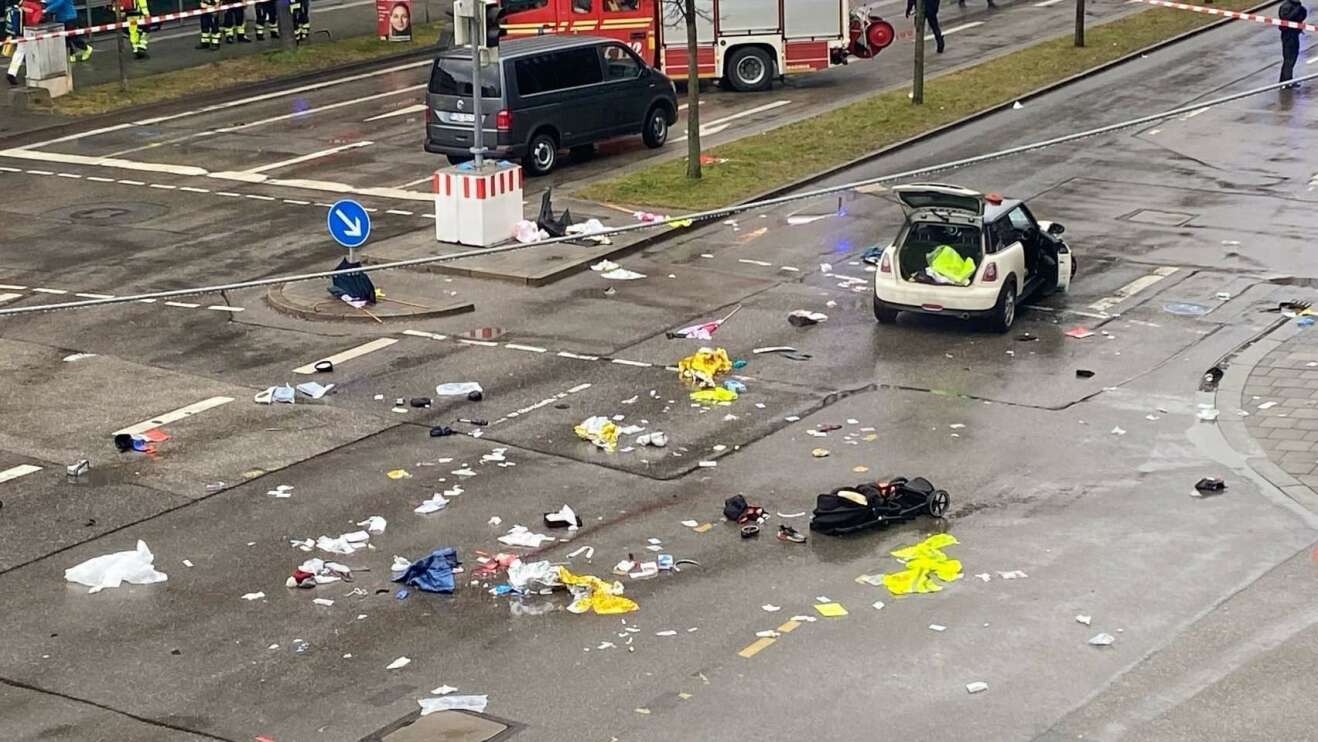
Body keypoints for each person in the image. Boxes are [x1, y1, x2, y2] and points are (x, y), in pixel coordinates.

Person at [1279, 0, 1307, 87]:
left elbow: (1301, 16)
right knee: (1289, 59)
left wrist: (1301, 9)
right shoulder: (1286, 7)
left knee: (1292, 58)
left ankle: (1286, 80)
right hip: (1288, 35)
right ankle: (1286, 82)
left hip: (1294, 34)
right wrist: (1297, 9)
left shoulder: (1296, 5)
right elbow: (1286, 18)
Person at [3, 0, 24, 85]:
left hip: (15, 31)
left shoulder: (9, 8)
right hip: (24, 31)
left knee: (19, 53)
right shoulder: (21, 7)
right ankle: (12, 73)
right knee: (21, 52)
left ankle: (12, 72)